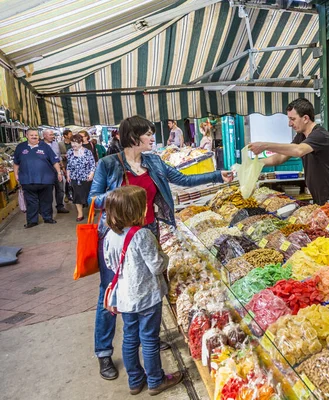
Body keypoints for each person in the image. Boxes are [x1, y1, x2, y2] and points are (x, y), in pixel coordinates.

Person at [89, 115, 233, 380]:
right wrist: (120, 198)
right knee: (111, 293)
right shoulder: (108, 164)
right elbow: (93, 199)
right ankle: (103, 352)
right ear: (133, 137)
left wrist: (217, 175)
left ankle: (149, 339)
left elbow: (182, 179)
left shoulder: (153, 161)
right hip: (118, 237)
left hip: (148, 232)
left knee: (150, 291)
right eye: (148, 134)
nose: (153, 138)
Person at [103, 185, 183, 395]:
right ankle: (156, 380)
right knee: (149, 338)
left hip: (126, 298)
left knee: (130, 338)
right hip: (147, 297)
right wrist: (165, 256)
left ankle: (135, 381)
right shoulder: (143, 235)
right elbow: (157, 266)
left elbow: (110, 264)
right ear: (136, 211)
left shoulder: (110, 236)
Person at [249, 98, 329, 207]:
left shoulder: (320, 135)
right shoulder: (301, 136)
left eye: (293, 119)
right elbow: (280, 157)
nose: (289, 124)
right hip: (320, 197)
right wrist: (256, 163)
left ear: (305, 118)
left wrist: (265, 145)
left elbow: (298, 150)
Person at [13, 129, 62, 228]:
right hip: (27, 179)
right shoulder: (20, 147)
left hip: (46, 180)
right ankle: (32, 221)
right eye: (32, 135)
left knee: (47, 200)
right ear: (27, 135)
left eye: (36, 135)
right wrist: (15, 174)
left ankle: (47, 218)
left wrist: (59, 172)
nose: (34, 137)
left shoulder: (45, 147)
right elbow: (16, 163)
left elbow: (54, 161)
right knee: (31, 202)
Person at [66, 134, 96, 221]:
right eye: (72, 142)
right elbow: (69, 165)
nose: (74, 145)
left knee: (88, 195)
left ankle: (91, 210)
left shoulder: (87, 152)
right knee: (76, 195)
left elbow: (92, 164)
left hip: (86, 177)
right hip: (74, 177)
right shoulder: (70, 152)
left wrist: (91, 174)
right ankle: (80, 214)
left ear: (81, 143)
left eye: (76, 142)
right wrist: (68, 175)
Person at [42, 129, 69, 214]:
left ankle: (60, 206)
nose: (52, 136)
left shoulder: (55, 144)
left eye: (53, 134)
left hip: (57, 170)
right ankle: (48, 209)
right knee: (48, 191)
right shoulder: (40, 145)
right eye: (50, 135)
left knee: (60, 189)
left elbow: (59, 157)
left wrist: (63, 168)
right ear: (44, 136)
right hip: (46, 171)